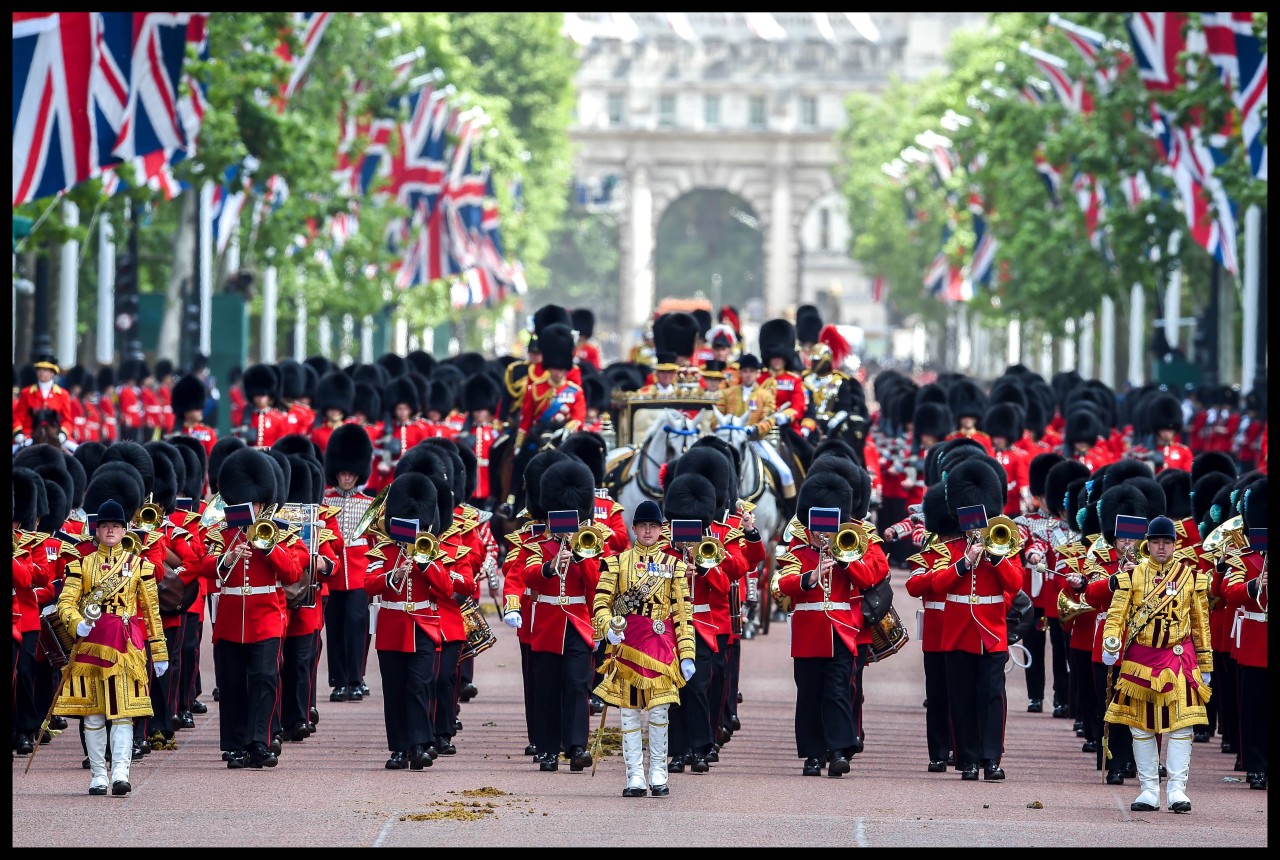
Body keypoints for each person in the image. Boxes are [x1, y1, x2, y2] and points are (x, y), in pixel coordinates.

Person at [55, 499, 169, 796]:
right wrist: (75, 622)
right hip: (91, 644)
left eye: (115, 526)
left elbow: (151, 611)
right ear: (97, 529)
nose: (110, 531)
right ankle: (97, 775)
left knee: (122, 712)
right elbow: (65, 603)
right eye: (105, 526)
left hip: (125, 646)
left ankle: (120, 772)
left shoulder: (139, 566)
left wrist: (159, 651)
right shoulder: (80, 566)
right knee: (93, 714)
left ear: (124, 529)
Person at [1101, 515, 1212, 813]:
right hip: (1141, 659)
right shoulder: (1132, 576)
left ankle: (1177, 789)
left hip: (1179, 658)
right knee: (1141, 727)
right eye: (1156, 542)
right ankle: (1149, 788)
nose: (1161, 548)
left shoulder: (1191, 577)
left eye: (1166, 542)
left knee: (1181, 726)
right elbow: (1116, 615)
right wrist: (1110, 642)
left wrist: (1205, 661)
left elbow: (1201, 623)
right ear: (1147, 545)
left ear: (1175, 545)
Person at [773, 472, 881, 777]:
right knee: (808, 693)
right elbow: (781, 586)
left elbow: (869, 578)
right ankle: (812, 755)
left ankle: (837, 751)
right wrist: (810, 576)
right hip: (808, 634)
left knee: (836, 691)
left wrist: (845, 560)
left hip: (842, 631)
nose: (823, 535)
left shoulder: (849, 550)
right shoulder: (798, 553)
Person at [592, 499, 695, 797]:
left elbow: (682, 613)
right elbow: (600, 603)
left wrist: (687, 653)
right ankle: (635, 774)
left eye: (653, 526)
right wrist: (609, 625)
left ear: (661, 530)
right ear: (634, 528)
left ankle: (658, 771)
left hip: (661, 649)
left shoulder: (674, 566)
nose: (648, 531)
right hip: (627, 648)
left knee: (660, 714)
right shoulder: (616, 563)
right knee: (629, 714)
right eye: (643, 526)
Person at [321, 424, 377, 704]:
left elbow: (374, 541)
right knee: (334, 626)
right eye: (342, 472)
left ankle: (356, 678)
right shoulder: (324, 501)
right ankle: (339, 681)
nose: (345, 477)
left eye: (350, 472)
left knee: (357, 624)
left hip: (358, 573)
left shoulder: (369, 503)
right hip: (332, 574)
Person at [171, 374, 218, 459]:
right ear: (185, 408)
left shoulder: (208, 433)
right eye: (196, 408)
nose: (200, 410)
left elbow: (213, 461)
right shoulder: (173, 433)